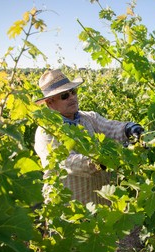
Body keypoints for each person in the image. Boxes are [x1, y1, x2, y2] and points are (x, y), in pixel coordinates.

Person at [34, 69, 144, 205]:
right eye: (64, 96)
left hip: (101, 203)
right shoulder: (46, 131)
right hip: (71, 208)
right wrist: (99, 161)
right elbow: (67, 162)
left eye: (73, 92)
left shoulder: (88, 118)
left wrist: (129, 129)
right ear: (50, 103)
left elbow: (110, 127)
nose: (72, 97)